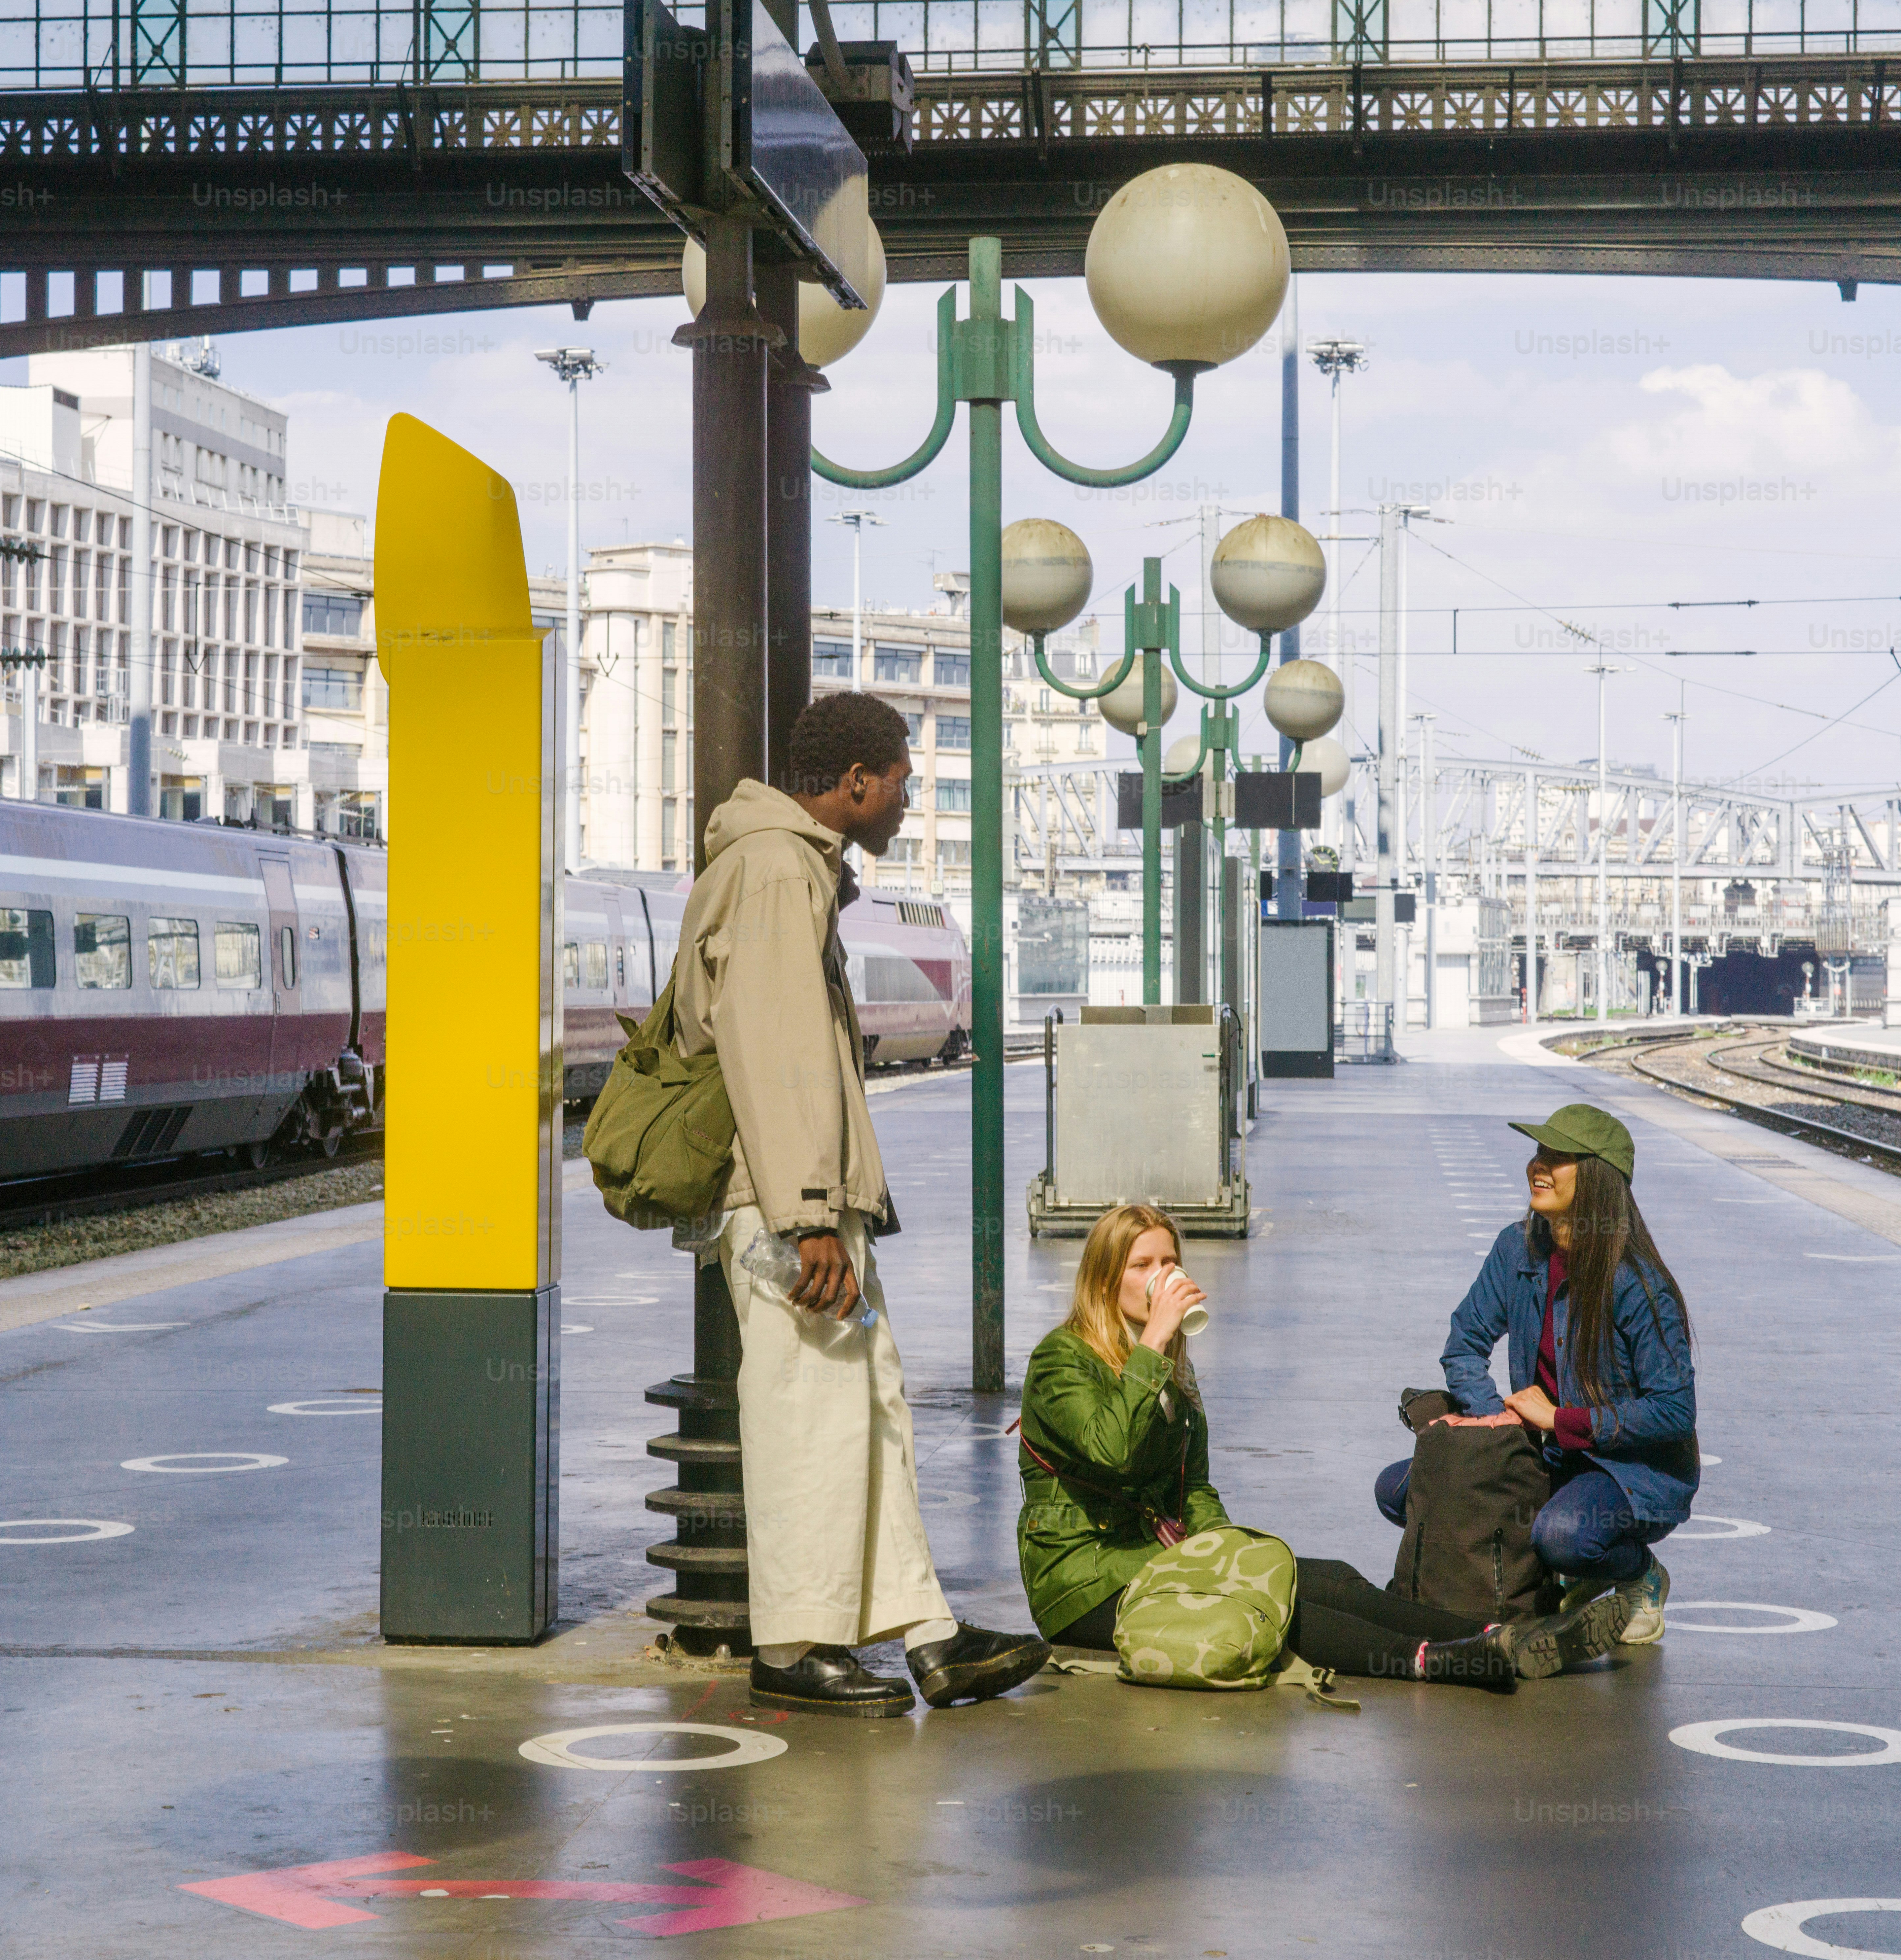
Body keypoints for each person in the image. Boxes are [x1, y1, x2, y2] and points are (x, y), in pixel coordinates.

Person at [677, 690, 1048, 1716]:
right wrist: (807, 1216)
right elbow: (777, 1048)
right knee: (809, 1419)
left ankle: (925, 1636)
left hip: (815, 1200)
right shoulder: (772, 870)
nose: (905, 799)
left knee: (867, 1409)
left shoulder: (793, 868)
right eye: (901, 782)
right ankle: (793, 1647)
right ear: (854, 784)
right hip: (788, 1203)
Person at [1016, 1203, 1632, 1687]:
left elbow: (1191, 1486)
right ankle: (1444, 1662)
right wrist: (1154, 1341)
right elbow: (1112, 1450)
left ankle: (1502, 1637)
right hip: (1085, 1585)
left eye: (1169, 1262)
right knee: (1278, 1604)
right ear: (1104, 1280)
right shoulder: (1062, 1359)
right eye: (1142, 1266)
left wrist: (1224, 1548)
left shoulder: (1166, 1363)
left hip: (1152, 1561)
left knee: (1325, 1577)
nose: (1163, 1278)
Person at [1420, 1102, 1698, 1642]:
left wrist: (1563, 1420)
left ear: (1597, 1178)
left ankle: (1639, 1576)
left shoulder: (1637, 1283)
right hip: (1545, 1451)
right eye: (1540, 1152)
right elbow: (1464, 1344)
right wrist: (1491, 1418)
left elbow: (1674, 1409)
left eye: (1560, 1157)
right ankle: (1549, 1574)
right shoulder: (1516, 1248)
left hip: (1627, 1471)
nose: (1539, 1165)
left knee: (1566, 1534)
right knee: (1404, 1489)